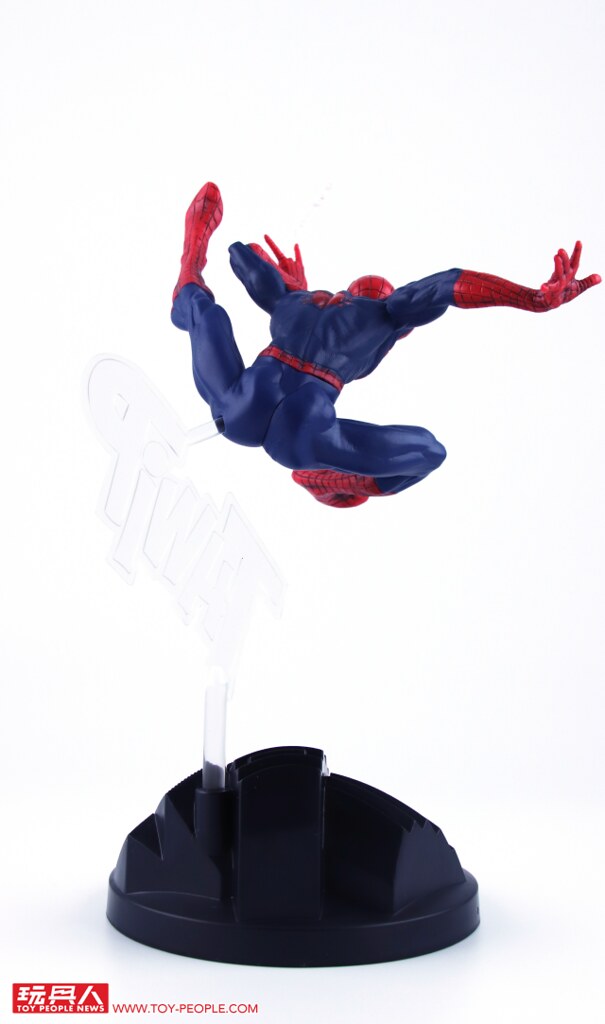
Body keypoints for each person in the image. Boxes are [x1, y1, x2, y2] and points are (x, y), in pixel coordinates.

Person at [171, 183, 600, 508]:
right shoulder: (302, 302)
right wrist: (292, 287)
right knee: (206, 312)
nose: (370, 288)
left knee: (429, 450)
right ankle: (191, 256)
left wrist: (531, 299)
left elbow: (447, 285)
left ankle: (335, 478)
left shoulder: (383, 314)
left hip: (288, 418)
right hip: (254, 403)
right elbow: (245, 261)